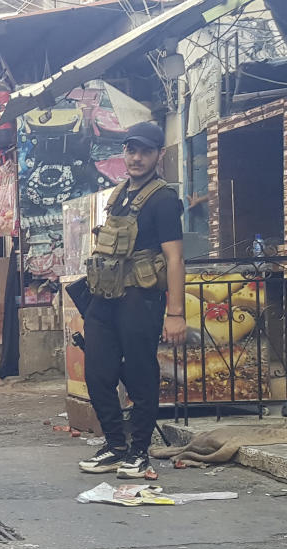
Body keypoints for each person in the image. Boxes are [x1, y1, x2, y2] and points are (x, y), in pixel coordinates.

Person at [78, 122, 186, 480]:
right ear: (123, 153)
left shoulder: (164, 199)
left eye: (145, 151)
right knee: (97, 369)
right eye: (130, 150)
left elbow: (174, 259)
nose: (136, 158)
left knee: (141, 374)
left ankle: (139, 452)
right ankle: (115, 445)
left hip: (141, 298)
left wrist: (176, 313)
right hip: (106, 296)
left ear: (159, 155)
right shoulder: (119, 194)